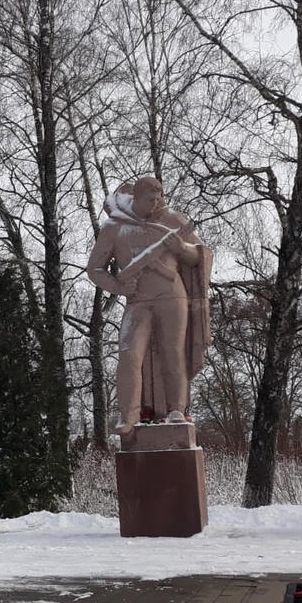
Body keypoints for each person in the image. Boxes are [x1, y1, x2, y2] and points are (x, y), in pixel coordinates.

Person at [86, 175, 212, 438]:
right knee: (128, 353)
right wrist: (119, 287)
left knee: (173, 352)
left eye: (159, 199)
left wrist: (182, 249)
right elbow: (95, 269)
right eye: (150, 200)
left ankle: (176, 410)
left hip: (172, 297)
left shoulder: (173, 220)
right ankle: (128, 414)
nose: (156, 205)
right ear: (136, 198)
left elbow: (200, 254)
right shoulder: (115, 227)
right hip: (138, 301)